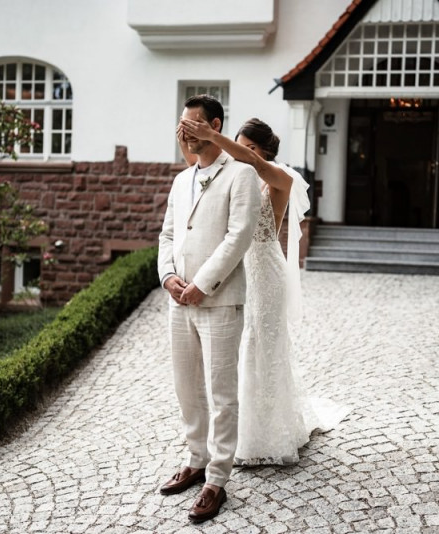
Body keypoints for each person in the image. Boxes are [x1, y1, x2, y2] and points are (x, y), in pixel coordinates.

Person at [178, 116, 349, 466]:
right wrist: (188, 142)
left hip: (265, 271)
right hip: (237, 268)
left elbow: (254, 163)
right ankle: (234, 432)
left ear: (265, 152)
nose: (241, 153)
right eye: (239, 145)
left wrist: (214, 135)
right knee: (238, 347)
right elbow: (199, 174)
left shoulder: (280, 178)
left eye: (249, 147)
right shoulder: (235, 179)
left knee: (261, 345)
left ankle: (266, 435)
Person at [157, 95, 261, 523]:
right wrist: (168, 278)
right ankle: (195, 459)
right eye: (180, 124)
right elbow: (166, 235)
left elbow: (239, 237)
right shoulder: (181, 181)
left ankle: (217, 479)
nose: (183, 131)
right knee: (187, 388)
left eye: (192, 124)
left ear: (214, 125)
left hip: (219, 300)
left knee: (221, 394)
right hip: (177, 302)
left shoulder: (242, 175)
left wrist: (202, 284)